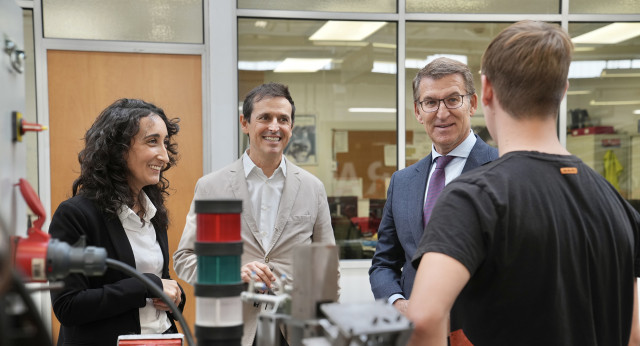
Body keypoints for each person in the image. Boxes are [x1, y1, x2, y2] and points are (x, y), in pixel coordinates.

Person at [407, 20, 640, 346]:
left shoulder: (473, 199)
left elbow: (423, 321)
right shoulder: (617, 206)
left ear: (485, 91)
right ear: (563, 90)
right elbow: (633, 334)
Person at [173, 82, 336, 346]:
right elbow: (185, 259)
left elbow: (326, 267)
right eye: (265, 118)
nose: (274, 126)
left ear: (291, 127)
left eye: (283, 119)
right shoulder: (212, 187)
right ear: (245, 123)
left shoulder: (312, 188)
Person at [49, 99, 186, 346]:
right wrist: (147, 286)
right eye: (152, 141)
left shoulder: (153, 212)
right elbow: (68, 306)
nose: (164, 156)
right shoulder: (75, 215)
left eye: (165, 143)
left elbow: (160, 278)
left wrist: (174, 295)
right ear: (118, 148)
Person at [368, 57, 498, 315]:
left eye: (452, 99)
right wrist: (397, 302)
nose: (441, 113)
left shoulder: (502, 168)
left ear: (472, 104)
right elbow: (384, 262)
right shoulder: (402, 182)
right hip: (417, 330)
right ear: (418, 111)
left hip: (480, 329)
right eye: (430, 102)